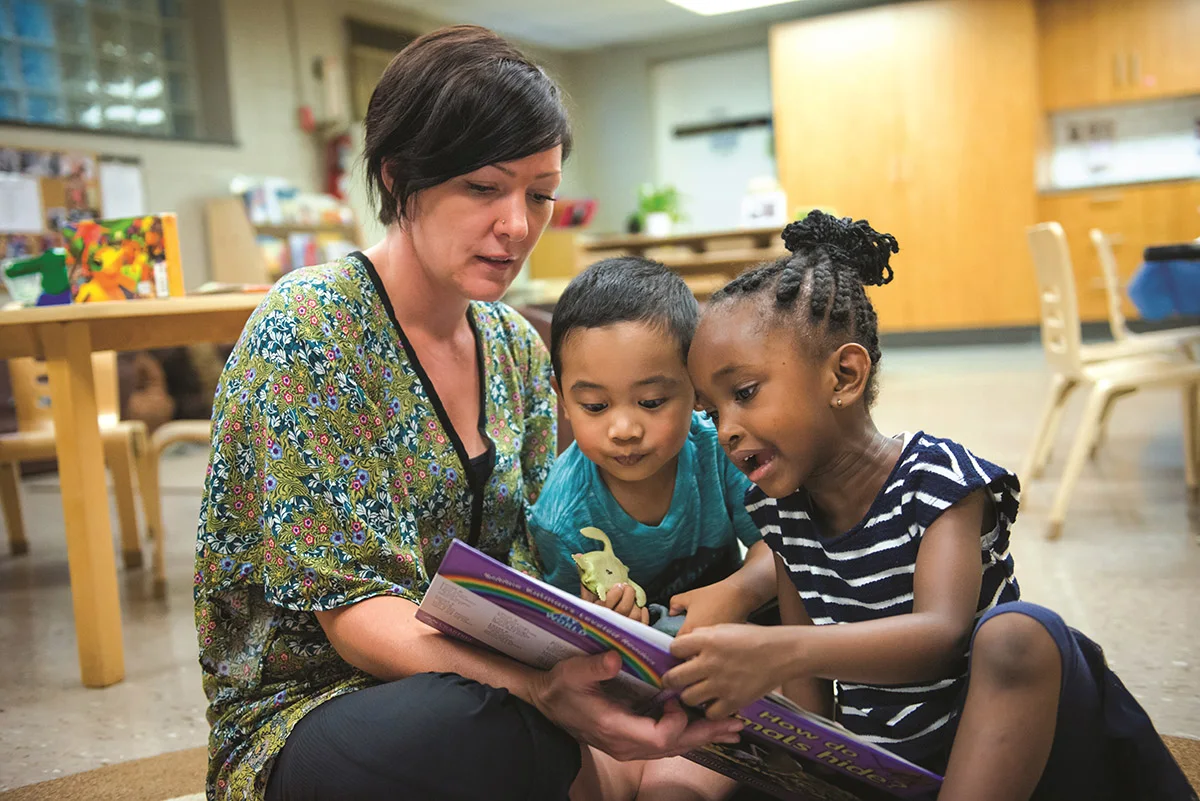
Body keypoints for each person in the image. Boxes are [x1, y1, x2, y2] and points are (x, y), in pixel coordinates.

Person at [194, 26, 742, 801]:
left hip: (489, 671)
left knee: (687, 699)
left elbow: (531, 555)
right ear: (400, 178)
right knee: (487, 731)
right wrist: (540, 691)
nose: (518, 225)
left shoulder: (514, 344)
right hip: (315, 708)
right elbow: (355, 617)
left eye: (540, 194)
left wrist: (597, 629)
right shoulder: (311, 328)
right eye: (484, 188)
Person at [662, 211, 1196, 801]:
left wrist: (773, 649)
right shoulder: (781, 514)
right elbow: (806, 689)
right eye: (713, 413)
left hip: (1020, 753)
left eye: (744, 394)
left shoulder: (935, 478)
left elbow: (939, 636)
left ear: (844, 375)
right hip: (900, 771)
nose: (727, 429)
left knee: (1020, 632)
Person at [529, 257, 776, 635]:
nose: (624, 429)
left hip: (736, 632)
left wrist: (737, 592)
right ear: (562, 398)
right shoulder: (561, 521)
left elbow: (781, 546)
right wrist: (601, 622)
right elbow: (563, 635)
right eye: (595, 407)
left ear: (696, 387)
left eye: (651, 402)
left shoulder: (720, 449)